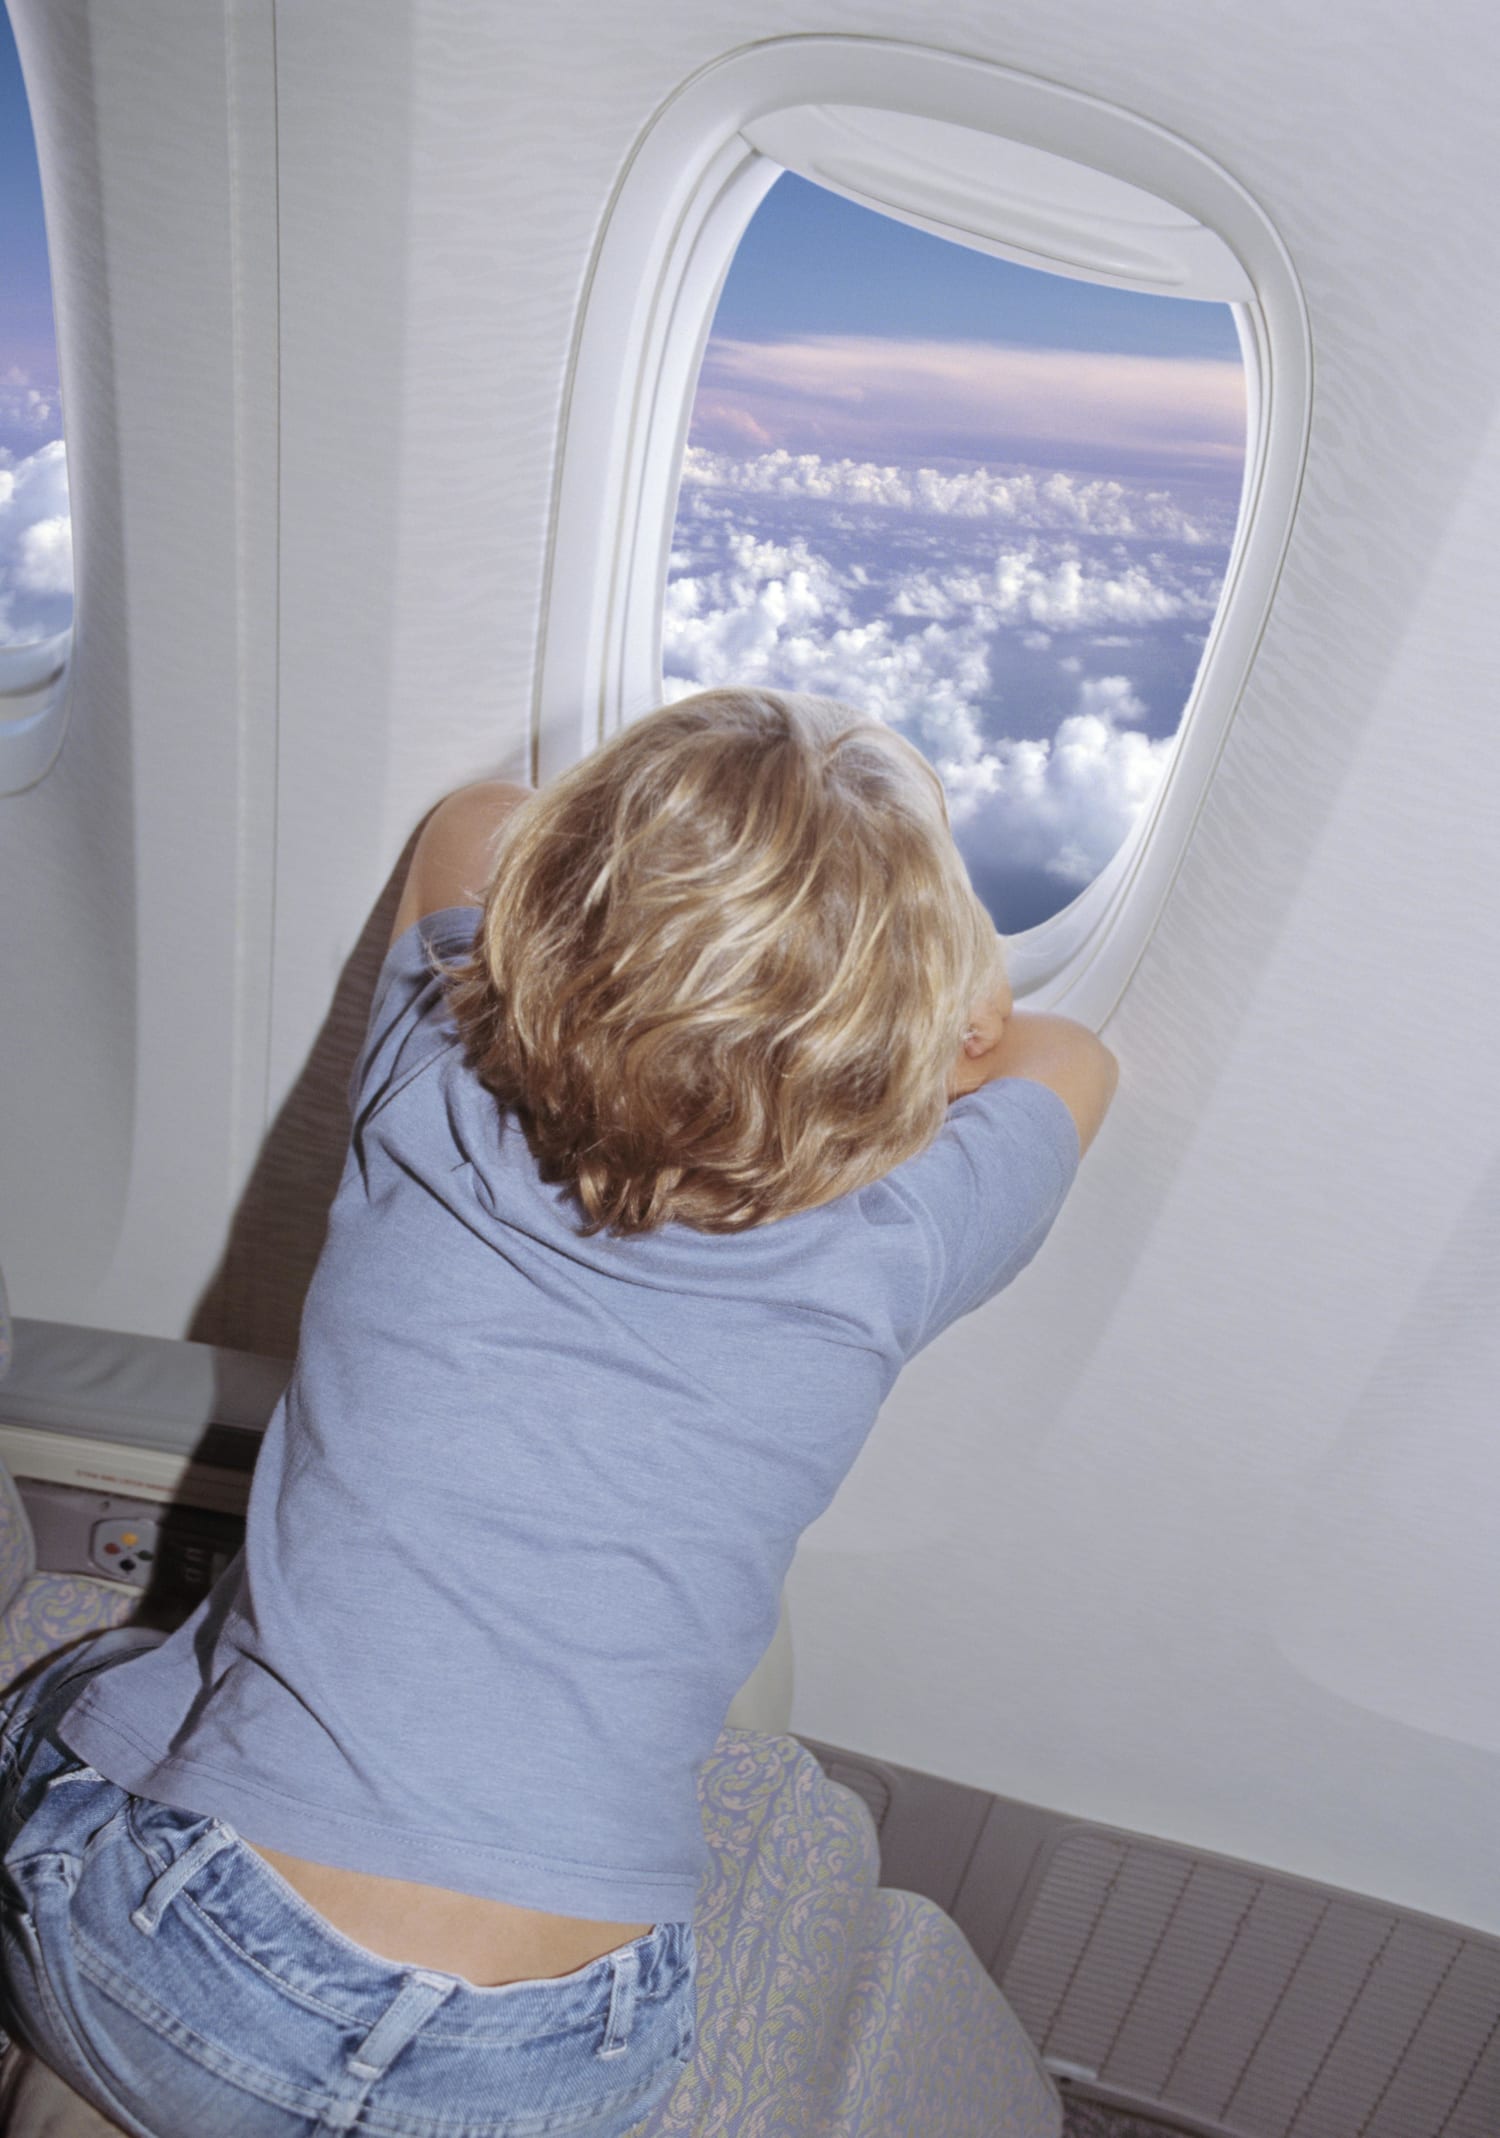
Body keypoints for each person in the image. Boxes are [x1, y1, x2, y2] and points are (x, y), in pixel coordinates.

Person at [0, 687, 1116, 2137]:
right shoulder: (899, 1241)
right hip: (546, 2070)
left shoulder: (433, 1072)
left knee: (63, 1707)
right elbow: (1071, 1059)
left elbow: (473, 825)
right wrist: (948, 1010)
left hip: (181, 1962)